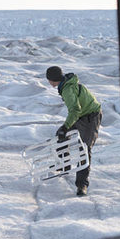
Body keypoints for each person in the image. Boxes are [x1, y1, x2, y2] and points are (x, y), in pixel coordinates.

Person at [45, 66, 102, 196]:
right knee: (61, 136)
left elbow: (75, 109)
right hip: (81, 115)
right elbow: (77, 111)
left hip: (91, 116)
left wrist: (66, 126)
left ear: (52, 79)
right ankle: (65, 165)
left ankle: (82, 185)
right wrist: (65, 128)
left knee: (84, 149)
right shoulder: (66, 85)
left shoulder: (67, 89)